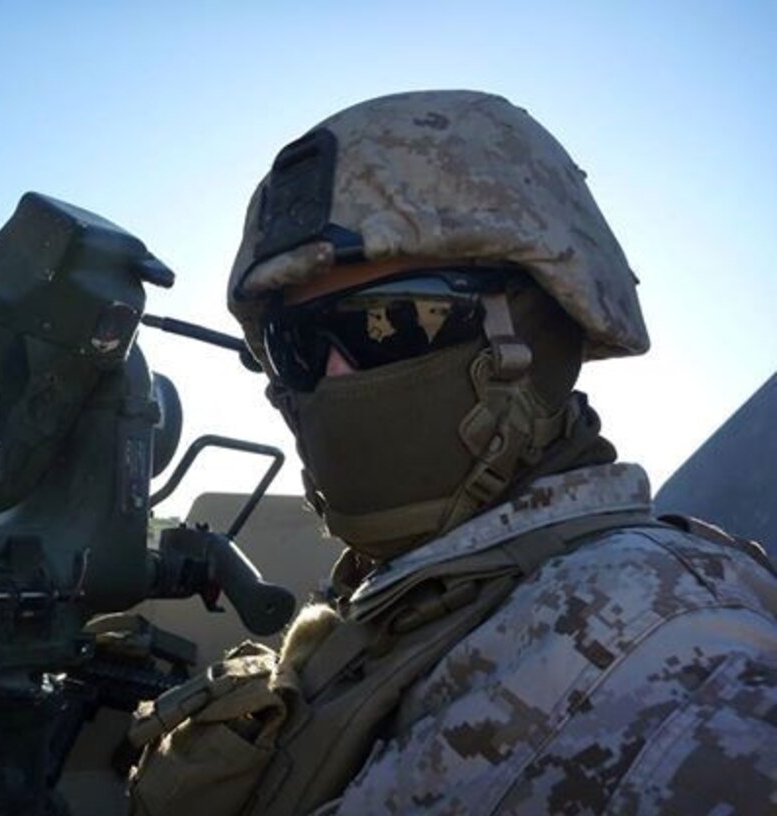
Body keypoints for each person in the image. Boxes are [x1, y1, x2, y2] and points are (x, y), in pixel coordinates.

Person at [128, 91, 777, 815]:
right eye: (296, 345)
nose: (335, 378)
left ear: (541, 329)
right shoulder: (412, 591)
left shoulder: (671, 677)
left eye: (391, 322)